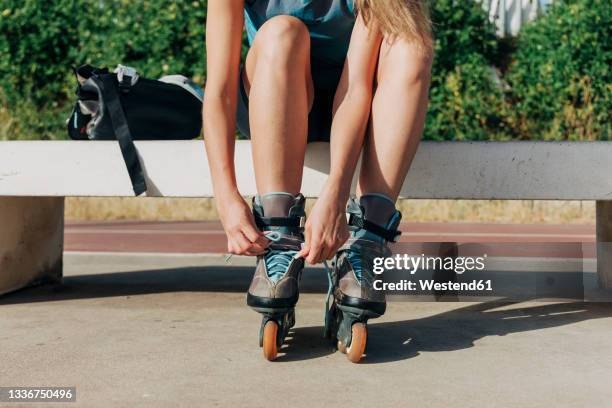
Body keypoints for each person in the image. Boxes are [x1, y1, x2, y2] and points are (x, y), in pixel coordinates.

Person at [203, 0, 433, 362]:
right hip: (276, 95)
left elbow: (356, 85)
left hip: (362, 101)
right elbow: (219, 89)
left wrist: (336, 197)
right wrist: (226, 196)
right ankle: (277, 237)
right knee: (282, 31)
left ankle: (366, 245)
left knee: (411, 43)